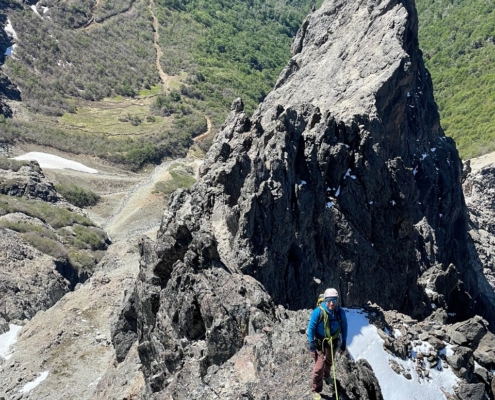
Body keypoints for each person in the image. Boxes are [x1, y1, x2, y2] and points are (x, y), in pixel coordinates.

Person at [307, 288, 348, 400]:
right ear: (325, 300)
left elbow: (344, 327)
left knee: (329, 361)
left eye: (334, 301)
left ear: (337, 301)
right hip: (320, 342)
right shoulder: (318, 312)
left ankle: (327, 376)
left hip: (332, 341)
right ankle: (316, 389)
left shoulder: (340, 313)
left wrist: (344, 342)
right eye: (329, 300)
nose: (331, 303)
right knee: (319, 366)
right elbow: (310, 329)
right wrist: (311, 346)